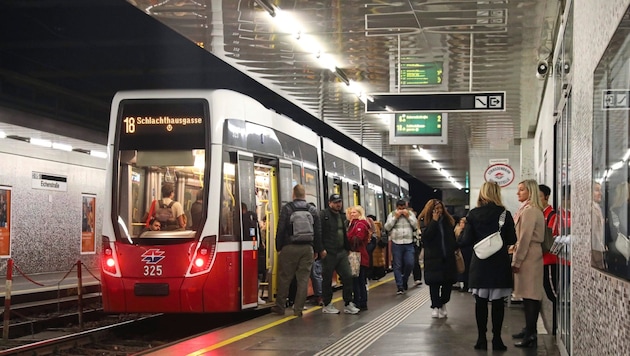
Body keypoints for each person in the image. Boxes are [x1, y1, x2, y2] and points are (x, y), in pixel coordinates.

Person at [458, 182, 517, 351]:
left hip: (480, 264)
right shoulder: (505, 214)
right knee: (498, 304)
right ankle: (497, 339)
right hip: (499, 264)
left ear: (482, 194)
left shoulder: (473, 214)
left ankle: (481, 339)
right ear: (497, 194)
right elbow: (512, 239)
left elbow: (466, 241)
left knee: (480, 303)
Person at [271, 184, 322, 317]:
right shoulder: (312, 209)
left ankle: (280, 307)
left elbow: (280, 229)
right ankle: (298, 309)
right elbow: (318, 231)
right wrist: (317, 249)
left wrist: (279, 247)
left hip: (289, 247)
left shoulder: (287, 208)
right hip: (307, 248)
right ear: (304, 195)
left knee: (284, 278)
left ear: (293, 195)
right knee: (303, 279)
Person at [511, 179, 545, 348]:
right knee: (527, 294)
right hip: (529, 254)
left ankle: (531, 333)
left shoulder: (530, 211)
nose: (518, 193)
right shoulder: (527, 209)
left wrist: (517, 260)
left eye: (522, 190)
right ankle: (529, 329)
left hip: (529, 256)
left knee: (531, 295)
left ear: (530, 192)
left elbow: (525, 238)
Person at [320, 194, 359, 314]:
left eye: (340, 202)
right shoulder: (323, 215)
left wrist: (348, 248)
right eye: (336, 202)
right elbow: (319, 233)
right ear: (329, 203)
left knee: (347, 276)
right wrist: (321, 249)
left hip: (341, 251)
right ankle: (327, 304)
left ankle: (348, 303)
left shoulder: (342, 217)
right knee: (327, 279)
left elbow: (344, 234)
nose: (338, 204)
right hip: (329, 252)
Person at [418, 199, 457, 319]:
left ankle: (443, 303)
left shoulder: (448, 221)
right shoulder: (424, 221)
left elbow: (451, 238)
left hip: (447, 257)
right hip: (433, 258)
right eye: (436, 209)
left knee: (447, 284)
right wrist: (434, 222)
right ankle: (435, 306)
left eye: (441, 208)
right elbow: (426, 238)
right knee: (434, 285)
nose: (439, 211)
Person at [384, 199, 417, 294]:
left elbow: (415, 226)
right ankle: (400, 286)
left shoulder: (410, 214)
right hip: (396, 242)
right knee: (397, 265)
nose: (401, 211)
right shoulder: (392, 214)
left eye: (403, 208)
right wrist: (395, 218)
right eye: (399, 208)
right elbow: (387, 227)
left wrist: (408, 217)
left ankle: (404, 279)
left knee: (410, 263)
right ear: (396, 207)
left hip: (409, 242)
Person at [538, 184, 559, 335]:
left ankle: (558, 324)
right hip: (540, 259)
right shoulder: (539, 213)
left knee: (552, 292)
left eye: (539, 196)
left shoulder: (551, 215)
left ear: (546, 197)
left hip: (549, 259)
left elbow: (551, 239)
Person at [347, 205, 371, 310]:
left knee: (358, 280)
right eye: (351, 213)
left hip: (358, 256)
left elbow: (358, 238)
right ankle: (360, 301)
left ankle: (359, 301)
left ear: (360, 213)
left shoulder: (360, 224)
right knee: (358, 280)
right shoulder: (353, 224)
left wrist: (347, 240)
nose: (352, 214)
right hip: (359, 255)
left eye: (355, 212)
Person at [591, 182, 606, 270]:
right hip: (595, 251)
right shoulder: (593, 209)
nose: (600, 193)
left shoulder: (597, 207)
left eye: (600, 190)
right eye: (596, 190)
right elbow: (595, 234)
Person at [454, 216, 471, 291]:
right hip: (463, 251)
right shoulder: (461, 231)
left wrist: (456, 244)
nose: (460, 224)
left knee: (465, 268)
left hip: (466, 252)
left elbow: (464, 241)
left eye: (462, 223)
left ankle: (466, 285)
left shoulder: (466, 232)